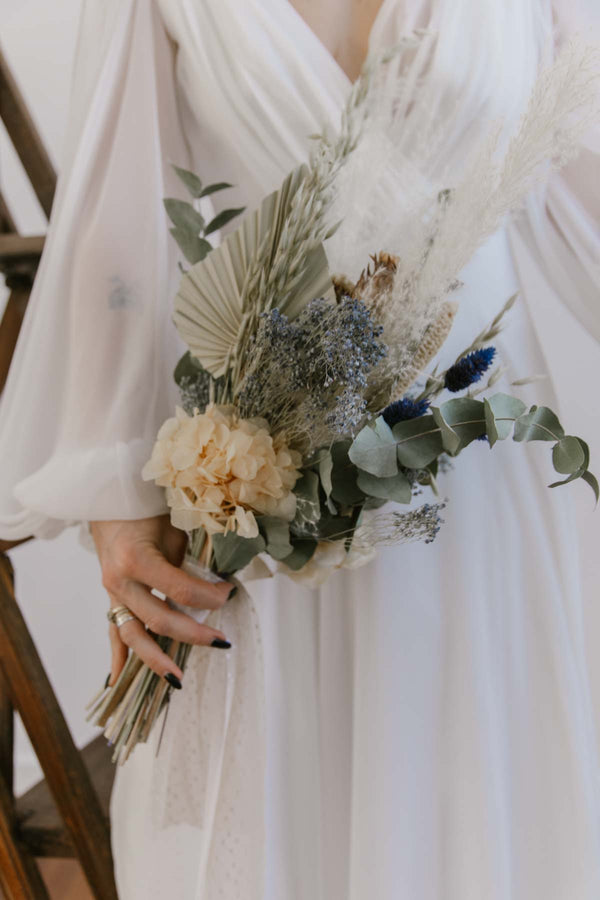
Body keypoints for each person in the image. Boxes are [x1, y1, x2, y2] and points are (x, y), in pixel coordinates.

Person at [0, 1, 599, 897]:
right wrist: (116, 508)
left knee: (471, 806)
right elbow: (113, 237)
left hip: (471, 485)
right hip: (252, 479)